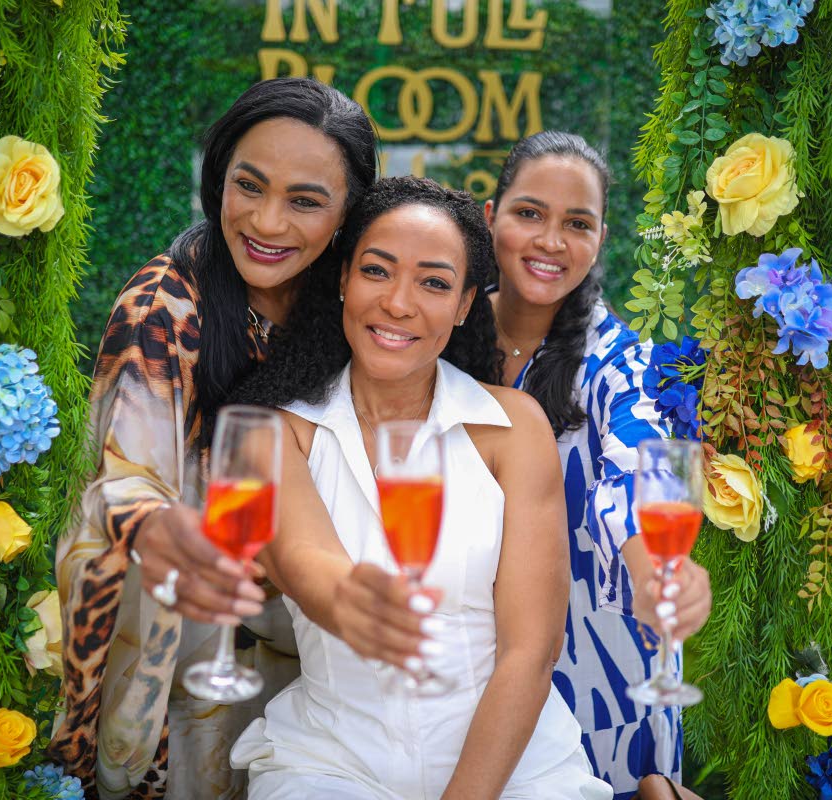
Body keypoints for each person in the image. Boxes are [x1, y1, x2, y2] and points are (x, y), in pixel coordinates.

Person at [227, 176, 612, 799]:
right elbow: (311, 568)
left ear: (463, 305)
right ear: (344, 279)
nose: (399, 304)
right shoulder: (273, 435)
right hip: (330, 765)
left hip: (517, 769)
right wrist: (357, 604)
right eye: (377, 272)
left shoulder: (513, 428)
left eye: (433, 283)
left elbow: (529, 652)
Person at [51, 77, 378, 799]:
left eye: (304, 200)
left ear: (347, 213)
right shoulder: (162, 308)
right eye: (248, 186)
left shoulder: (351, 307)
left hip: (317, 663)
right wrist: (159, 528)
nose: (267, 222)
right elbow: (124, 477)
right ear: (217, 178)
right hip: (197, 663)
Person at [484, 131, 713, 797]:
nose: (552, 241)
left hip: (597, 670)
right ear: (490, 214)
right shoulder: (447, 331)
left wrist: (655, 574)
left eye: (576, 224)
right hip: (476, 652)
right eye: (530, 213)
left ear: (600, 237)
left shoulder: (620, 360)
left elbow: (642, 461)